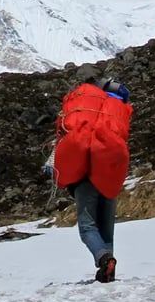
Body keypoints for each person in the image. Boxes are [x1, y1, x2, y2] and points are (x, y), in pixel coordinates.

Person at [52, 77, 133, 282]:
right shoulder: (114, 109)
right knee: (106, 227)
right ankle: (109, 269)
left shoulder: (82, 111)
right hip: (109, 173)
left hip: (84, 177)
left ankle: (104, 259)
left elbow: (65, 137)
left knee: (88, 227)